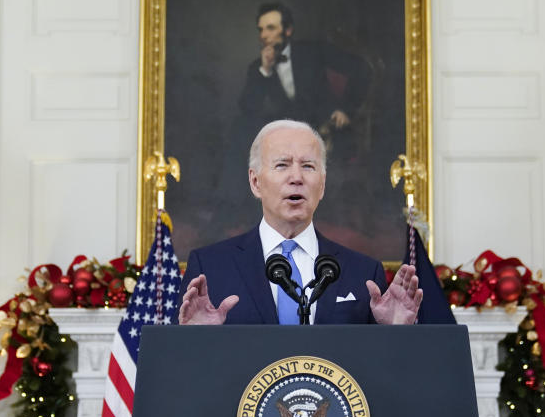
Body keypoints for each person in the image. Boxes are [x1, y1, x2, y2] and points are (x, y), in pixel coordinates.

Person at [178, 119, 421, 326]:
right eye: (282, 165)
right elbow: (181, 368)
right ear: (255, 182)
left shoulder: (363, 273)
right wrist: (197, 338)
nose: (296, 177)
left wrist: (394, 333)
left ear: (322, 185)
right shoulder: (210, 269)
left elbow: (378, 372)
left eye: (308, 166)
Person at [235, 3, 370, 157]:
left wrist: (346, 109)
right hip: (282, 143)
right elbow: (247, 109)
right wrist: (265, 70)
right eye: (261, 29)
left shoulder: (312, 51)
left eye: (270, 28)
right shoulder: (257, 68)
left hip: (325, 132)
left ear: (288, 30)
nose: (263, 35)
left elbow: (361, 68)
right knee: (240, 131)